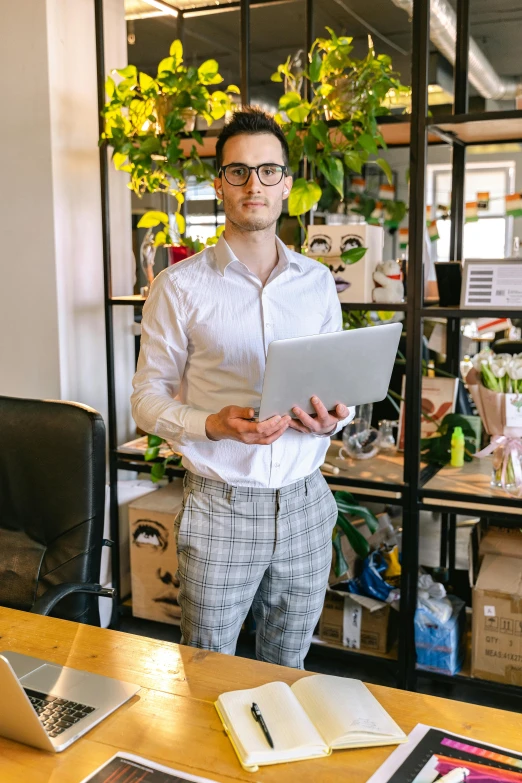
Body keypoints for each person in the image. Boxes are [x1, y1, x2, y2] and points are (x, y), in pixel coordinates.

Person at [131, 107, 354, 669]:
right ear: (219, 183)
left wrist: (335, 417)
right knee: (207, 672)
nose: (254, 184)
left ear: (287, 184)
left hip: (307, 502)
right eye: (238, 172)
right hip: (222, 506)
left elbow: (337, 386)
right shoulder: (178, 287)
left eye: (267, 171)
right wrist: (208, 423)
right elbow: (145, 398)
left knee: (291, 669)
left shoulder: (317, 282)